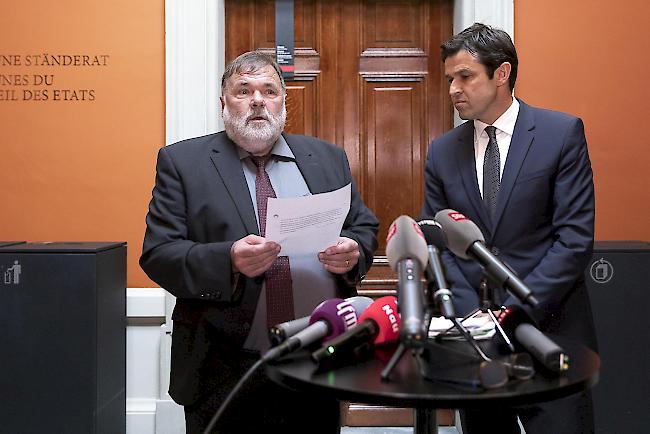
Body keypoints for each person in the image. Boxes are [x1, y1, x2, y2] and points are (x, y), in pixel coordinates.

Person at [140, 51, 379, 434]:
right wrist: (229, 260)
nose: (257, 100)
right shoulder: (183, 163)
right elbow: (158, 253)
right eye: (243, 90)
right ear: (223, 103)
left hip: (316, 358)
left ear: (283, 103)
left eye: (269, 91)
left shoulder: (327, 158)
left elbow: (362, 225)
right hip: (222, 367)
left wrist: (354, 250)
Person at [421, 23, 597, 434]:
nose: (453, 89)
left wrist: (516, 311)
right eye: (450, 79)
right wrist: (473, 317)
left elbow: (572, 239)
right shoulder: (442, 151)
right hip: (476, 344)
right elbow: (438, 242)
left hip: (551, 331)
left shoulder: (561, 133)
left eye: (465, 77)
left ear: (501, 74)